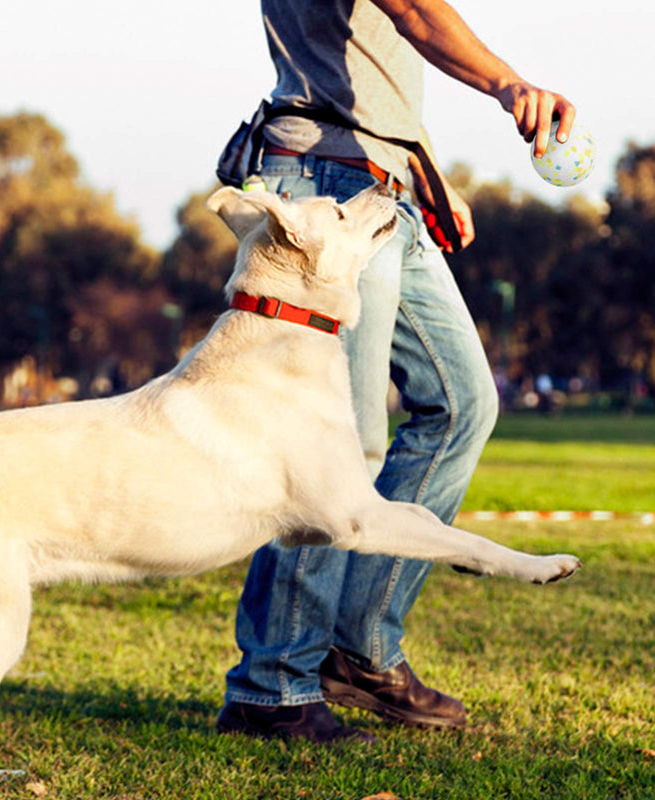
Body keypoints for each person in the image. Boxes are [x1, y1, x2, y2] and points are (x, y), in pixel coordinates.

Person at [215, 0, 576, 743]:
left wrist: (423, 171)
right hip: (327, 185)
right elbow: (412, 9)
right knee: (338, 449)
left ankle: (360, 649)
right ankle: (273, 686)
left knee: (462, 403)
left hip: (381, 183)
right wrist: (508, 85)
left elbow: (369, 66)